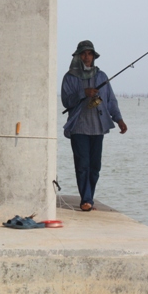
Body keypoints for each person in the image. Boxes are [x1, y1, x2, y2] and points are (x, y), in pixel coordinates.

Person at [61, 40, 127, 211]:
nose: (87, 57)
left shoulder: (101, 76)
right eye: (83, 53)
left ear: (94, 56)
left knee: (95, 166)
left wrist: (119, 119)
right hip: (79, 127)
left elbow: (111, 100)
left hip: (98, 127)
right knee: (82, 164)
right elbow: (66, 101)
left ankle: (89, 197)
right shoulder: (70, 77)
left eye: (90, 53)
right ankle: (86, 200)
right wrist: (83, 93)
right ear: (77, 56)